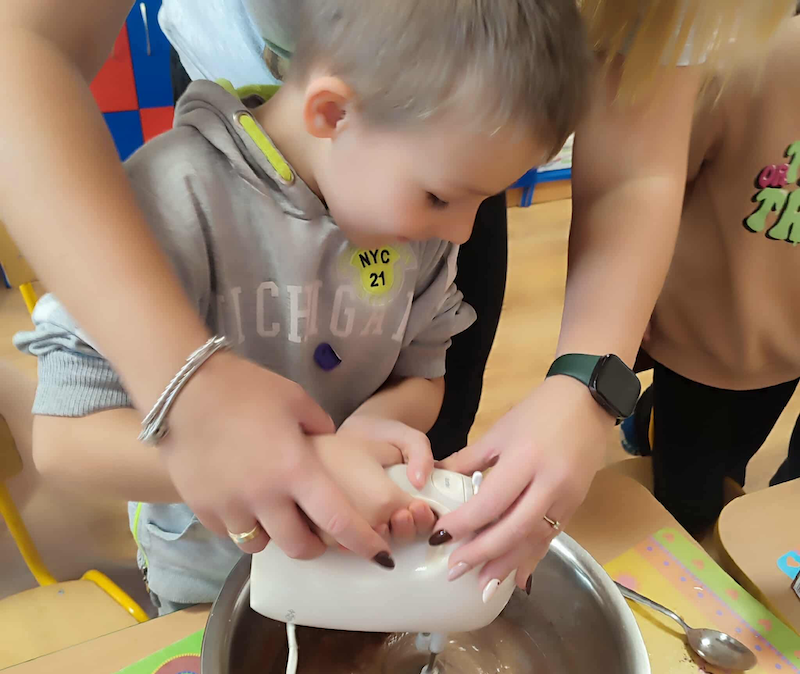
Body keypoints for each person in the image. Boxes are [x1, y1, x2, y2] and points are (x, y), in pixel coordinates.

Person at [0, 0, 791, 598]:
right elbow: (66, 442)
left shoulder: (411, 209)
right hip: (212, 576)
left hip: (347, 566)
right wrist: (237, 433)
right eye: (446, 197)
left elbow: (424, 370)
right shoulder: (172, 203)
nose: (467, 231)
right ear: (332, 113)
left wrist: (377, 426)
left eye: (485, 198)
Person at [619, 14, 800, 539]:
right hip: (702, 338)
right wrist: (635, 302)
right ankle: (650, 423)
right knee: (688, 503)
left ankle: (649, 419)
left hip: (786, 350)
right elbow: (654, 180)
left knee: (730, 467)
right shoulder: (749, 59)